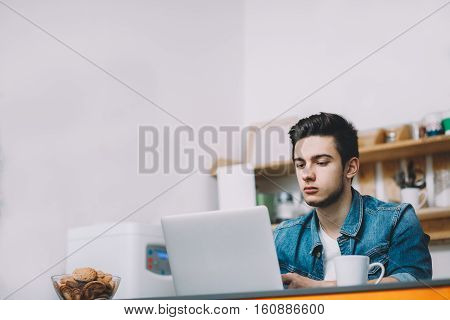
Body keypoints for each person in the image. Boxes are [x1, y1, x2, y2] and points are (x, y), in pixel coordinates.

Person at [275, 112, 432, 289]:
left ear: (350, 168)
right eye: (300, 165)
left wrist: (320, 288)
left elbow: (417, 287)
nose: (307, 175)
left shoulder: (397, 221)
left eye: (321, 162)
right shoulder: (283, 237)